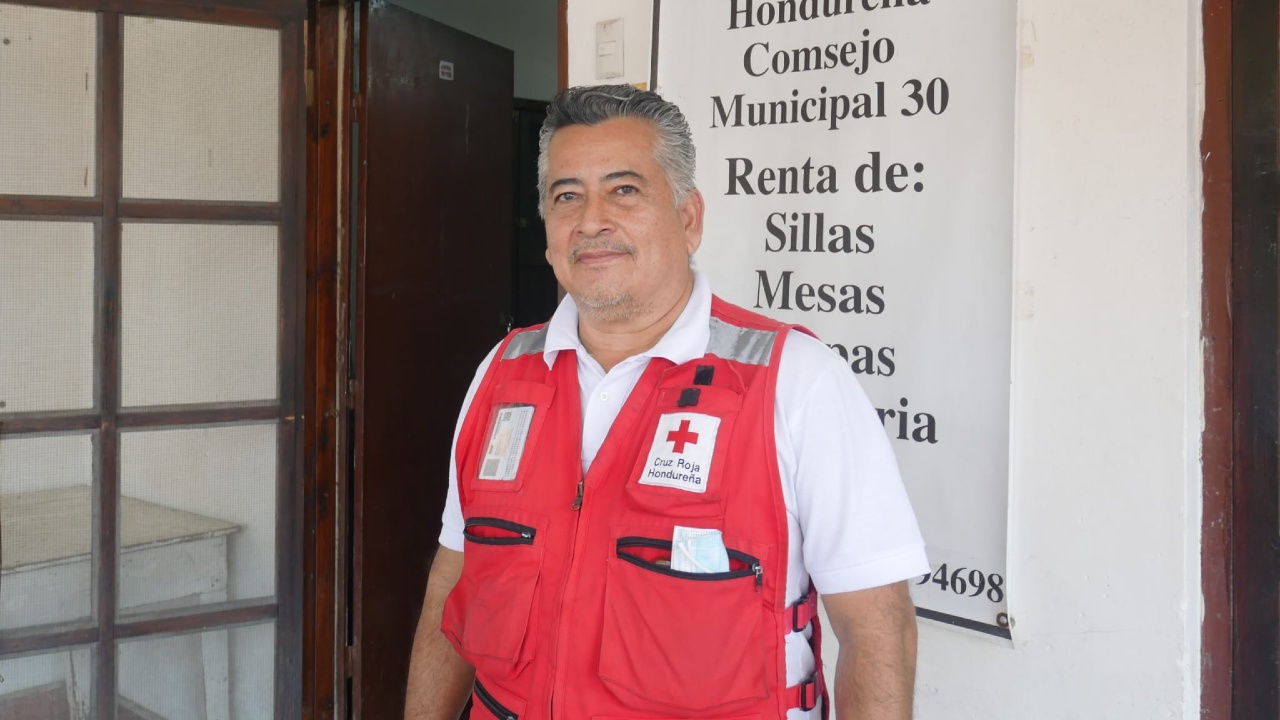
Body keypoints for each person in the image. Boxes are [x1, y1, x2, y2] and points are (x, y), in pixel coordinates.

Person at [404, 84, 928, 720]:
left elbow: (877, 630)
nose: (591, 220)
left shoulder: (794, 381)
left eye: (624, 190)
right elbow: (454, 578)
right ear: (546, 229)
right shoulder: (503, 373)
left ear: (689, 219)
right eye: (566, 195)